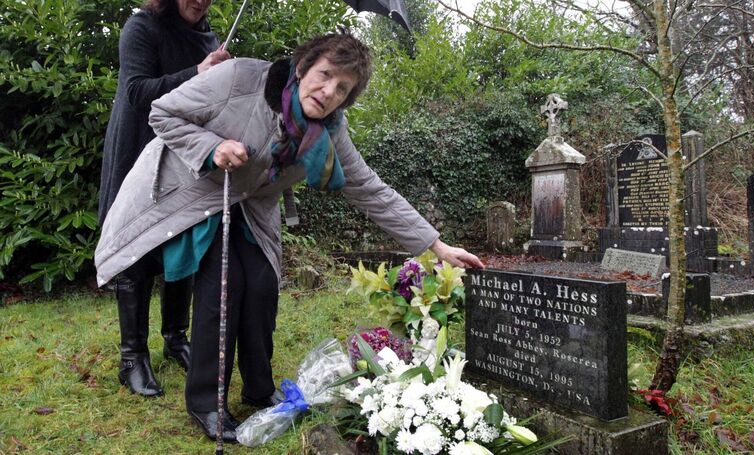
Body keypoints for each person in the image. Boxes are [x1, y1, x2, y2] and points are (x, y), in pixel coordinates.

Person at [94, 31, 484, 442]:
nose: (329, 92)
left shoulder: (329, 133)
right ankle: (207, 403)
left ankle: (259, 389)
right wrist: (212, 147)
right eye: (325, 75)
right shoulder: (237, 78)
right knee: (223, 287)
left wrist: (435, 245)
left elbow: (371, 189)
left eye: (343, 88)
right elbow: (162, 112)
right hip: (199, 190)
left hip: (253, 206)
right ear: (301, 68)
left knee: (262, 285)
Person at [97, 0, 230, 397]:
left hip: (182, 156)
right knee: (135, 248)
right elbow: (136, 92)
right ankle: (132, 357)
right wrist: (197, 73)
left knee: (182, 242)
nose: (200, 0)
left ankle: (175, 338)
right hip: (137, 149)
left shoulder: (209, 37)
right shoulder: (142, 27)